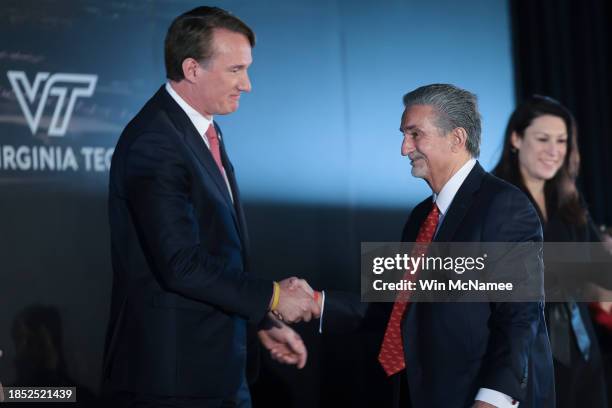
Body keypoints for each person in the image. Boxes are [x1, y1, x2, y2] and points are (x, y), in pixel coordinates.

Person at [103, 6, 319, 407]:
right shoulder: (156, 142)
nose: (248, 84)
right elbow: (181, 264)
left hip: (215, 369)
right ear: (192, 69)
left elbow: (217, 253)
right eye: (235, 70)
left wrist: (257, 320)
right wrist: (272, 296)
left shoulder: (201, 129)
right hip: (173, 380)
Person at [314, 84, 555, 407]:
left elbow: (519, 317)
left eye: (415, 135)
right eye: (404, 135)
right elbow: (400, 307)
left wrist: (494, 397)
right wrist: (319, 303)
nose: (404, 148)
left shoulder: (504, 207)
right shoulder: (419, 218)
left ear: (457, 138)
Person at [493, 95, 610, 408]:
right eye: (543, 139)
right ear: (516, 139)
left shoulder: (569, 202)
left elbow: (598, 275)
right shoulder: (493, 200)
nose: (554, 151)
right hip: (524, 352)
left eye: (562, 141)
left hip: (583, 348)